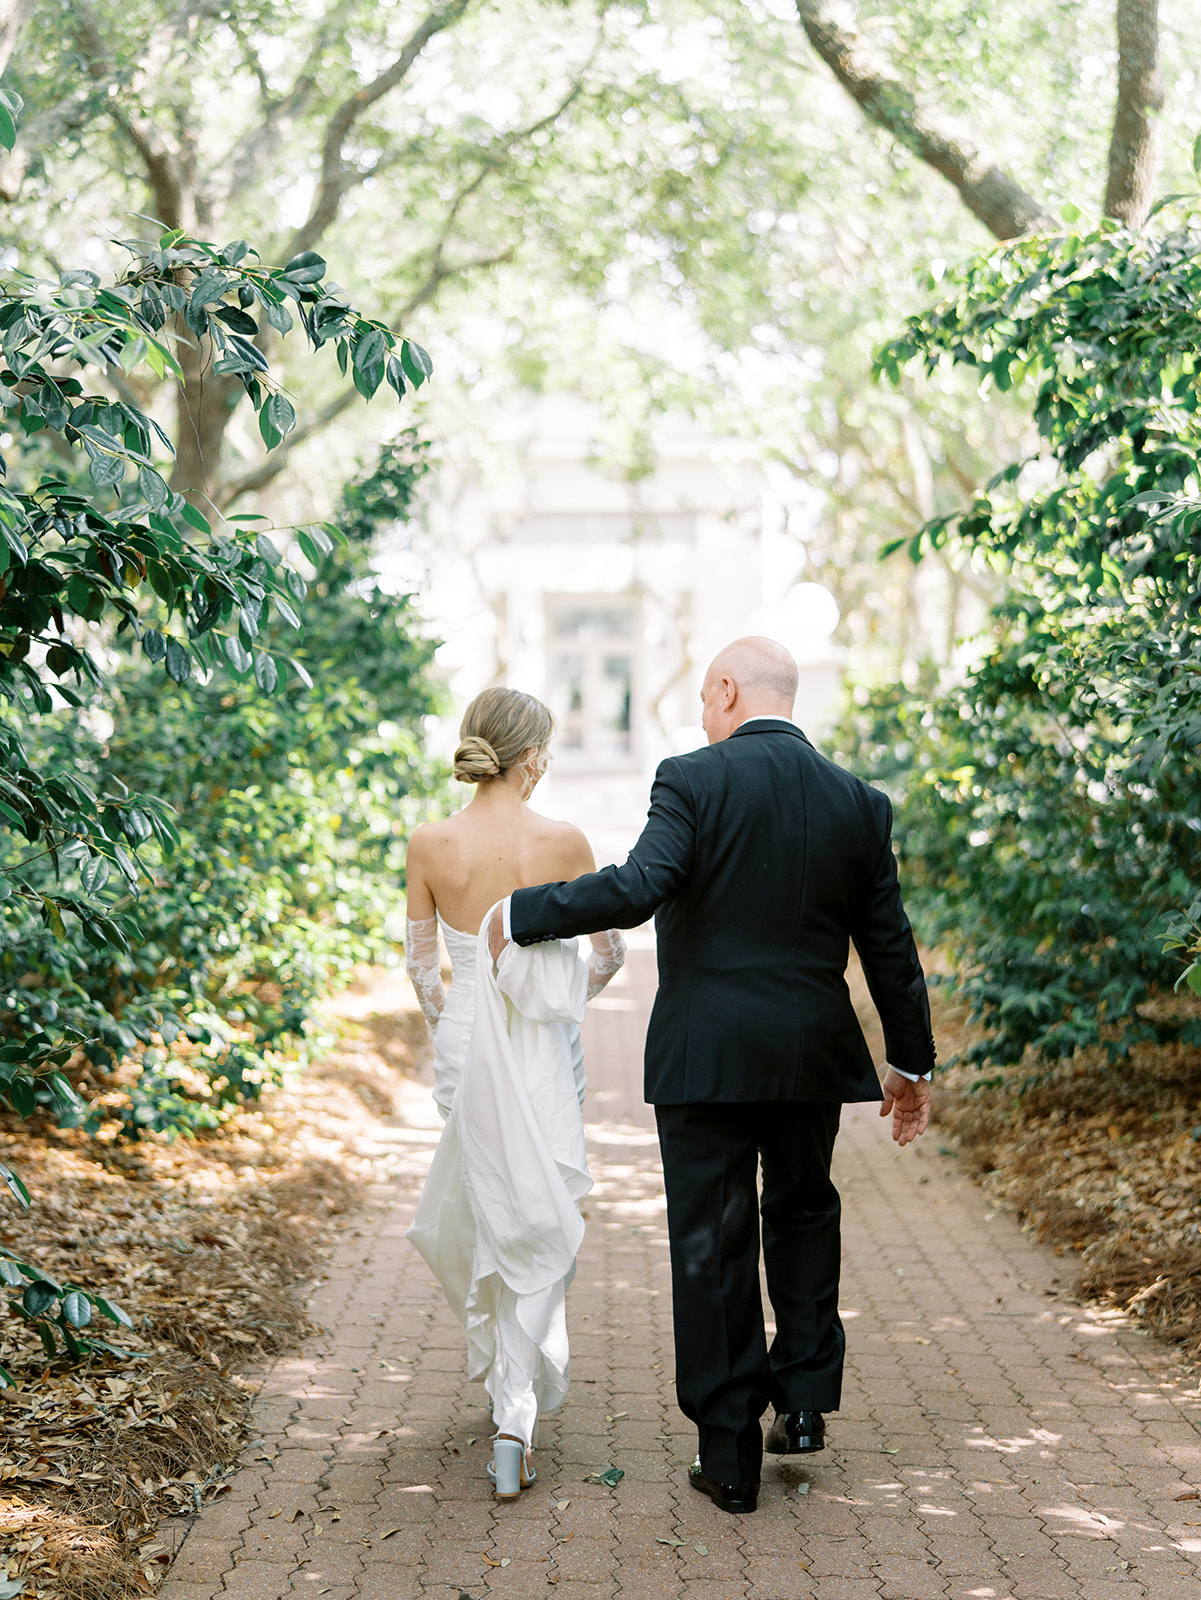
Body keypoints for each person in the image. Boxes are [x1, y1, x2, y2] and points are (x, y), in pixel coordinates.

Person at [489, 637, 934, 1514]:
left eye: (701, 697)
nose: (699, 716)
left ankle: (729, 1458)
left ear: (728, 690)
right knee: (803, 1212)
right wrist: (908, 1063)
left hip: (705, 1056)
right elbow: (890, 945)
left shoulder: (690, 779)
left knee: (713, 1243)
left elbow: (638, 885)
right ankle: (803, 1403)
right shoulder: (857, 802)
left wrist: (523, 912)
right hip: (809, 1053)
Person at [403, 686, 625, 1501]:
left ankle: (507, 1389)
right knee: (541, 1209)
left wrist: (457, 1027)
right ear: (531, 758)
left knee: (489, 1205)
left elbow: (425, 970)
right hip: (540, 1050)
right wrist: (551, 1005)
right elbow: (607, 957)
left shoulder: (428, 843)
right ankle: (514, 1412)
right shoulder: (565, 841)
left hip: (465, 1047)